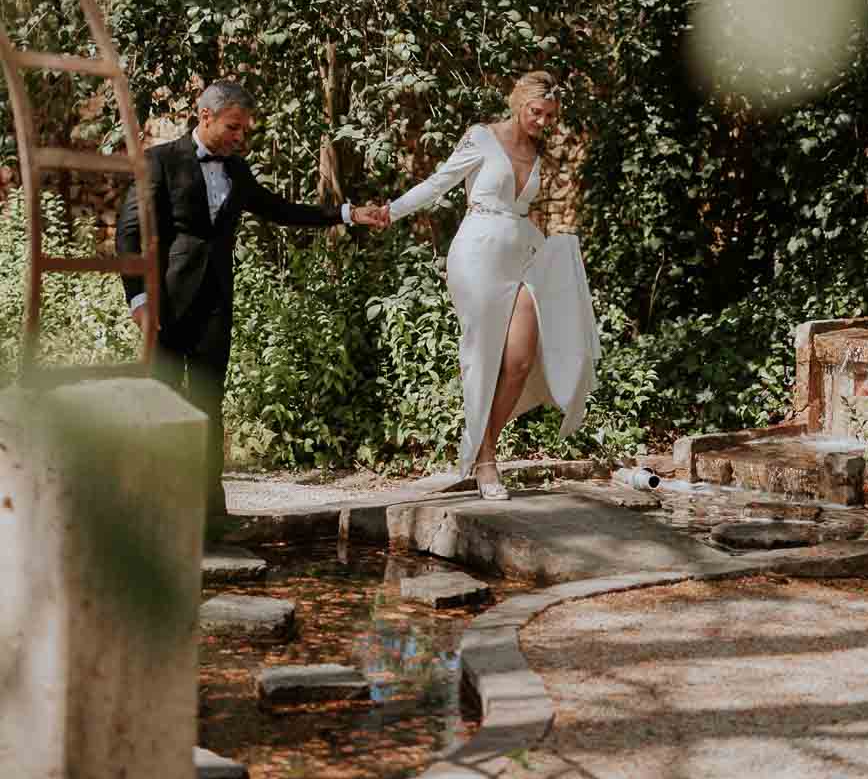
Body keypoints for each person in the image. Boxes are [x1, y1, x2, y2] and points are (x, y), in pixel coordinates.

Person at [116, 79, 385, 539]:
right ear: (205, 117)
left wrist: (346, 214)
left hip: (217, 306)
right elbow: (129, 232)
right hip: (164, 305)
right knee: (159, 403)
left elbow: (281, 209)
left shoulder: (237, 172)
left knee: (208, 405)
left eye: (245, 130)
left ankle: (210, 515)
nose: (241, 137)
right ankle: (154, 509)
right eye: (233, 127)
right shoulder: (160, 160)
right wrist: (138, 299)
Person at [379, 71, 599, 500]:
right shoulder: (481, 138)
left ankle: (484, 451)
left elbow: (528, 211)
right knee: (481, 357)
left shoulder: (539, 153)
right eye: (537, 112)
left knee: (518, 359)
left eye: (550, 116)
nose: (542, 121)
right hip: (477, 255)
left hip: (522, 258)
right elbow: (438, 182)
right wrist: (392, 210)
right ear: (518, 103)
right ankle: (485, 461)